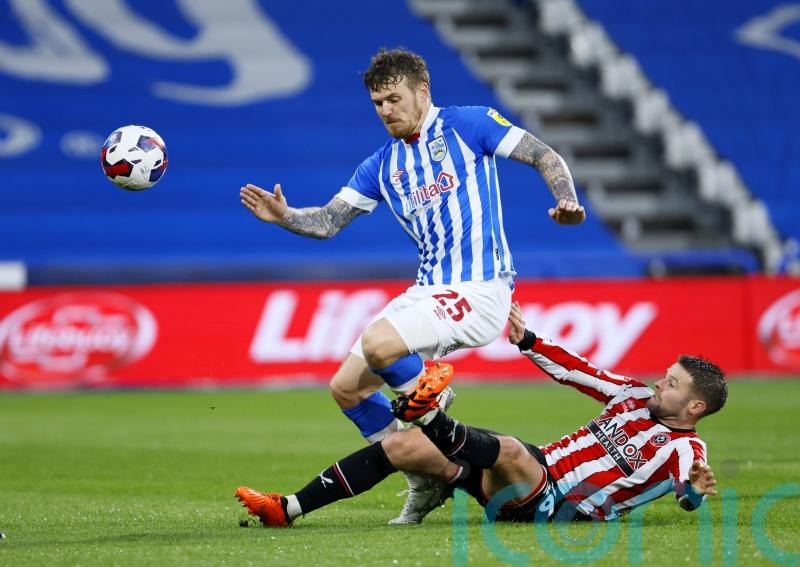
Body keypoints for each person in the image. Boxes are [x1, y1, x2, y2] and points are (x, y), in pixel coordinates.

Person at [239, 47, 586, 524]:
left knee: (380, 345)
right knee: (346, 389)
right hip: (429, 290)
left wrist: (566, 200)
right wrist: (284, 217)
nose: (386, 110)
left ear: (422, 91)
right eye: (378, 103)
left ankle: (430, 397)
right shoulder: (382, 165)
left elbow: (543, 155)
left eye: (394, 98)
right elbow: (327, 221)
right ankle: (430, 478)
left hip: (481, 289)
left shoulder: (468, 125)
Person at [235, 302, 725, 526]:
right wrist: (530, 342)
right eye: (666, 375)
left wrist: (694, 496)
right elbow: (579, 371)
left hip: (555, 504)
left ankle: (429, 414)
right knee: (400, 447)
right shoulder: (633, 395)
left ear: (695, 407)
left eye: (673, 384)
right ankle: (287, 509)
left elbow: (687, 488)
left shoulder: (687, 448)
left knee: (506, 447)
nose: (661, 383)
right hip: (529, 470)